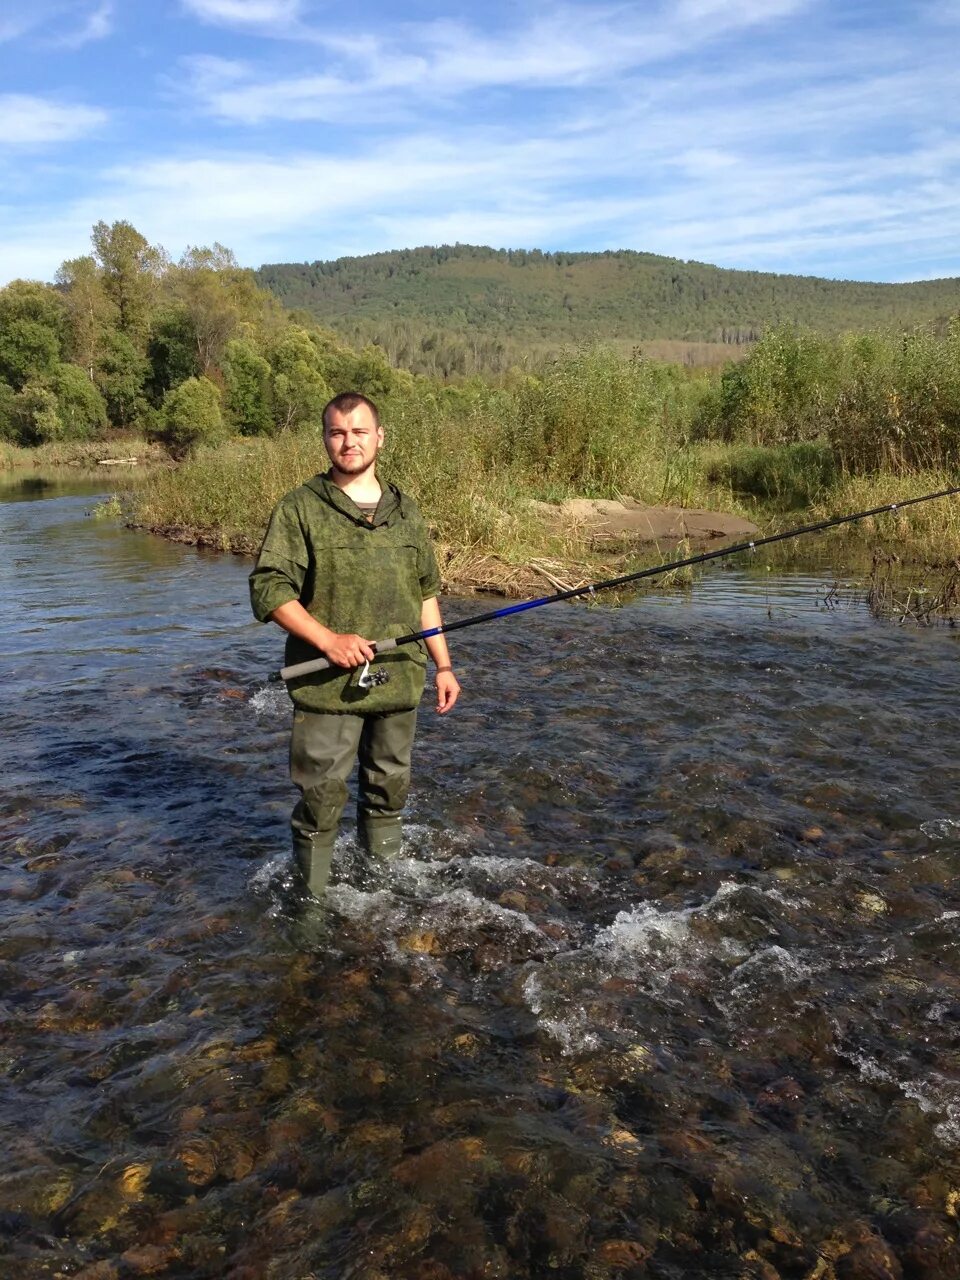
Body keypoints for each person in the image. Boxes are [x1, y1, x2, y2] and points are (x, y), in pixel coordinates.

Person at [249, 391, 460, 897]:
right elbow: (269, 588)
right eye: (338, 432)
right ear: (325, 438)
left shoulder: (407, 512)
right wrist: (327, 640)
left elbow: (425, 593)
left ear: (379, 437)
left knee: (388, 790)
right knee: (320, 801)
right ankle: (312, 909)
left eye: (359, 431)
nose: (349, 442)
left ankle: (382, 895)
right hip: (325, 685)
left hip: (401, 679)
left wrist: (445, 667)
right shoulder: (299, 507)